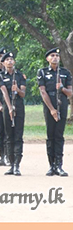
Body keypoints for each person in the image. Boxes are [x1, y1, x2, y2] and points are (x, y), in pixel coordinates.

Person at [37, 47, 72, 176]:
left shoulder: (65, 72)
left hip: (61, 103)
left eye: (57, 56)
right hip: (49, 104)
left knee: (59, 135)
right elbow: (42, 91)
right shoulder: (42, 72)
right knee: (50, 135)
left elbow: (70, 93)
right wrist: (52, 109)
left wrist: (62, 88)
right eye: (52, 56)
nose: (55, 57)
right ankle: (51, 165)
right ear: (47, 59)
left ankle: (59, 165)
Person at [0, 51, 26, 176]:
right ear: (3, 63)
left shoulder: (20, 75)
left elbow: (23, 94)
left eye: (11, 59)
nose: (9, 61)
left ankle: (17, 165)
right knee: (9, 136)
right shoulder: (0, 76)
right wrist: (9, 108)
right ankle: (11, 163)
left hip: (19, 106)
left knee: (18, 135)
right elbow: (4, 92)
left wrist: (18, 89)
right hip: (7, 105)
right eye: (7, 59)